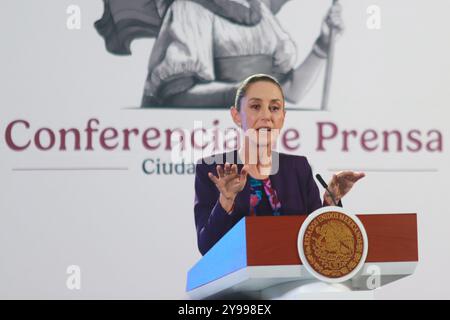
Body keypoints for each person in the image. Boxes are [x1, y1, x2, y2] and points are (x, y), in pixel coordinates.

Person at [194, 74, 364, 255]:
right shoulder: (212, 168)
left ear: (283, 117)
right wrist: (225, 201)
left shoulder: (298, 168)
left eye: (274, 108)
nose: (266, 116)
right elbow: (207, 247)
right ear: (236, 116)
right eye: (256, 107)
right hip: (238, 281)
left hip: (294, 280)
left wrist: (331, 202)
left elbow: (319, 241)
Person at [95, 0, 344, 108]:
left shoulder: (260, 12)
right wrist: (246, 95)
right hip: (212, 147)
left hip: (259, 151)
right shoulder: (189, 8)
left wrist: (322, 45)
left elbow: (291, 92)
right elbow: (176, 97)